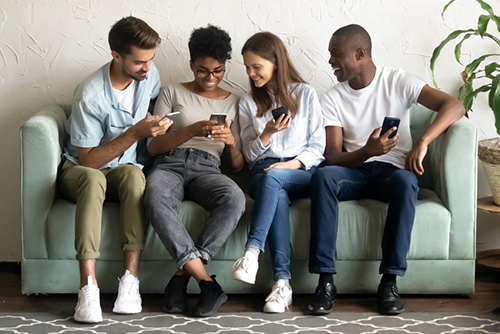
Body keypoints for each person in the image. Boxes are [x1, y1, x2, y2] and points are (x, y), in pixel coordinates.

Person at [307, 24, 465, 316]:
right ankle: (325, 282)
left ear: (360, 53)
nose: (329, 61)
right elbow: (331, 156)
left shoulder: (398, 81)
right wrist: (367, 151)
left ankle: (389, 282)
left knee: (406, 183)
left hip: (393, 173)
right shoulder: (332, 97)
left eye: (335, 54)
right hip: (355, 172)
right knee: (323, 176)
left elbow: (454, 105)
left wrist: (423, 141)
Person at [58, 16, 171, 323]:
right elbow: (89, 161)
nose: (147, 69)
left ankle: (130, 281)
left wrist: (157, 126)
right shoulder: (89, 95)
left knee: (136, 176)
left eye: (150, 60)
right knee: (94, 180)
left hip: (123, 167)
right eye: (139, 62)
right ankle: (88, 288)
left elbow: (147, 106)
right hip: (81, 170)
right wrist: (134, 133)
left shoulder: (149, 74)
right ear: (116, 56)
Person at [144, 25, 246, 317]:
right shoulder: (172, 92)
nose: (210, 78)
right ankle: (206, 282)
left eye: (218, 71)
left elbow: (237, 165)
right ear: (191, 65)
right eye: (202, 71)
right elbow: (153, 147)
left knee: (235, 198)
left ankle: (180, 279)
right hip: (170, 163)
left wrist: (231, 143)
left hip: (208, 167)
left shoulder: (233, 101)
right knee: (154, 196)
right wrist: (189, 130)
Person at [231, 32, 325, 313]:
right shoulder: (248, 103)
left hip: (300, 171)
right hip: (263, 172)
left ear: (276, 62)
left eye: (256, 66)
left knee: (276, 178)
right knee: (275, 190)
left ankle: (251, 252)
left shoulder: (305, 94)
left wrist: (290, 164)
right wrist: (266, 134)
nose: (251, 73)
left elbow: (318, 146)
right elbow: (248, 156)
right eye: (247, 67)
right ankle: (282, 285)